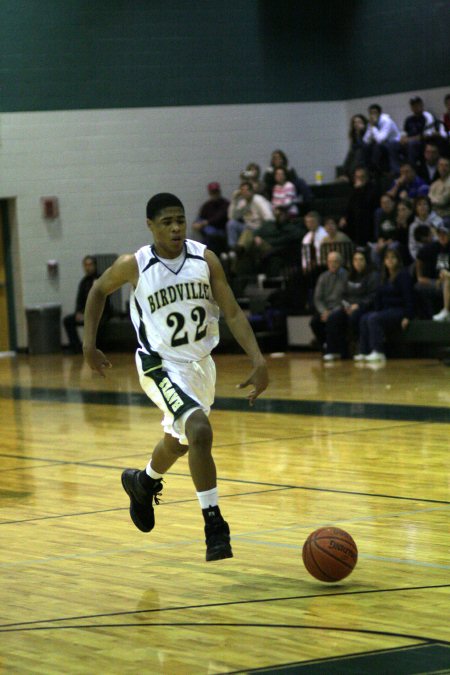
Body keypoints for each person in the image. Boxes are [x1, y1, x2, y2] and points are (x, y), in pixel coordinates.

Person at [82, 193, 269, 562]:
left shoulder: (205, 258)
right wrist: (89, 344)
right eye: (166, 222)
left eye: (180, 220)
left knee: (180, 441)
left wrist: (259, 359)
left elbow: (230, 311)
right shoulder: (134, 265)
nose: (175, 228)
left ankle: (143, 482)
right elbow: (97, 291)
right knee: (199, 431)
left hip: (200, 365)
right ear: (150, 226)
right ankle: (214, 526)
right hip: (159, 365)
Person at [354, 246, 414, 363]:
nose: (390, 260)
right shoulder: (384, 277)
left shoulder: (404, 276)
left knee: (373, 318)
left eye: (393, 257)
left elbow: (409, 298)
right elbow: (379, 298)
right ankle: (364, 351)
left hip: (399, 310)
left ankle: (378, 351)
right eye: (387, 258)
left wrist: (407, 316)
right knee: (364, 318)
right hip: (386, 310)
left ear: (398, 260)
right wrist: (376, 310)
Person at [323, 248, 378, 361]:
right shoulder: (349, 275)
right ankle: (334, 350)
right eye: (355, 260)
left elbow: (373, 296)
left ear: (366, 261)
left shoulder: (372, 275)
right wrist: (347, 306)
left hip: (364, 307)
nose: (358, 262)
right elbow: (342, 295)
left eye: (361, 259)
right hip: (348, 307)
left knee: (354, 317)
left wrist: (358, 305)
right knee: (333, 317)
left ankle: (358, 348)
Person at [309, 251, 349, 352]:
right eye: (330, 261)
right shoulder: (323, 277)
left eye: (335, 261)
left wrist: (332, 312)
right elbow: (317, 298)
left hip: (339, 308)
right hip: (326, 309)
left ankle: (335, 350)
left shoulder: (346, 276)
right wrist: (324, 311)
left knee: (333, 318)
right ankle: (324, 345)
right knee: (314, 322)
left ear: (340, 263)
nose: (332, 264)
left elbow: (346, 297)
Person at [63, 255, 101, 353]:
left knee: (96, 322)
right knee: (68, 320)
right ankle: (76, 347)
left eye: (90, 265)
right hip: (86, 313)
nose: (88, 267)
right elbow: (79, 300)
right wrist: (79, 312)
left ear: (95, 266)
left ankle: (97, 347)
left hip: (100, 313)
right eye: (86, 265)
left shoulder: (101, 279)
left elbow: (102, 300)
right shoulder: (84, 282)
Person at [415, 220, 450, 321]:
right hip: (436, 282)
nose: (442, 236)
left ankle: (446, 311)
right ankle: (427, 317)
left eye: (445, 233)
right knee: (419, 286)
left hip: (448, 281)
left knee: (447, 283)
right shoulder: (432, 247)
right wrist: (419, 276)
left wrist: (447, 276)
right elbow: (419, 258)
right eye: (440, 233)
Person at [225, 180, 274, 249]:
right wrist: (234, 200)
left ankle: (238, 251)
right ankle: (232, 249)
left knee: (247, 233)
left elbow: (269, 218)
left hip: (259, 228)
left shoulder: (259, 200)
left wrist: (259, 234)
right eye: (242, 190)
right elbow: (231, 217)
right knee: (231, 224)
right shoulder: (242, 203)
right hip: (247, 227)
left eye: (247, 190)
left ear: (252, 191)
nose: (245, 192)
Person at [399, 96, 445, 168]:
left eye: (417, 105)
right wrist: (403, 138)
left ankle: (412, 168)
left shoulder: (427, 116)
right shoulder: (409, 119)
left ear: (421, 105)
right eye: (413, 105)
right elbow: (404, 132)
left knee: (412, 144)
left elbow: (428, 134)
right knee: (395, 145)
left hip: (424, 142)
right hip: (410, 142)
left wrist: (410, 139)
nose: (415, 107)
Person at [339, 167, 378, 246]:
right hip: (355, 218)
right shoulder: (354, 190)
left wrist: (359, 190)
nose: (359, 179)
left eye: (362, 177)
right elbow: (349, 206)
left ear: (366, 178)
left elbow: (367, 204)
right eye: (357, 177)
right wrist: (344, 217)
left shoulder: (372, 188)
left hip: (368, 217)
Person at [191, 182, 230, 256]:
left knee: (210, 232)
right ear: (209, 193)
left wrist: (205, 223)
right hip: (208, 232)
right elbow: (200, 217)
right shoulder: (207, 205)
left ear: (219, 192)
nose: (214, 194)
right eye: (212, 192)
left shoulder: (225, 204)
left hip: (221, 231)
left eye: (216, 192)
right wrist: (196, 224)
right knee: (205, 230)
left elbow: (219, 218)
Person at [363, 104, 401, 175]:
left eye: (375, 113)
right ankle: (368, 171)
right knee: (366, 147)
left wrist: (373, 127)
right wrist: (371, 126)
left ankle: (379, 171)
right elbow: (365, 140)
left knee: (377, 147)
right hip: (383, 143)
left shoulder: (387, 121)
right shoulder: (371, 123)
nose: (372, 115)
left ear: (380, 113)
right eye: (371, 113)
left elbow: (380, 140)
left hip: (394, 142)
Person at [408, 195, 442, 261]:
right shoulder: (413, 226)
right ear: (416, 208)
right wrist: (418, 258)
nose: (422, 207)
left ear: (429, 206)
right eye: (419, 205)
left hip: (437, 255)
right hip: (421, 257)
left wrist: (432, 238)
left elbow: (441, 242)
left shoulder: (438, 221)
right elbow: (412, 246)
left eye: (425, 204)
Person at [340, 114, 368, 181]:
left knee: (358, 152)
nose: (356, 124)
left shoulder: (368, 132)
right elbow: (353, 147)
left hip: (366, 153)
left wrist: (359, 133)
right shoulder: (354, 134)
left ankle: (350, 174)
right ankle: (344, 174)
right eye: (355, 122)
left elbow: (363, 145)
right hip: (357, 153)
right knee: (351, 153)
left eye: (359, 122)